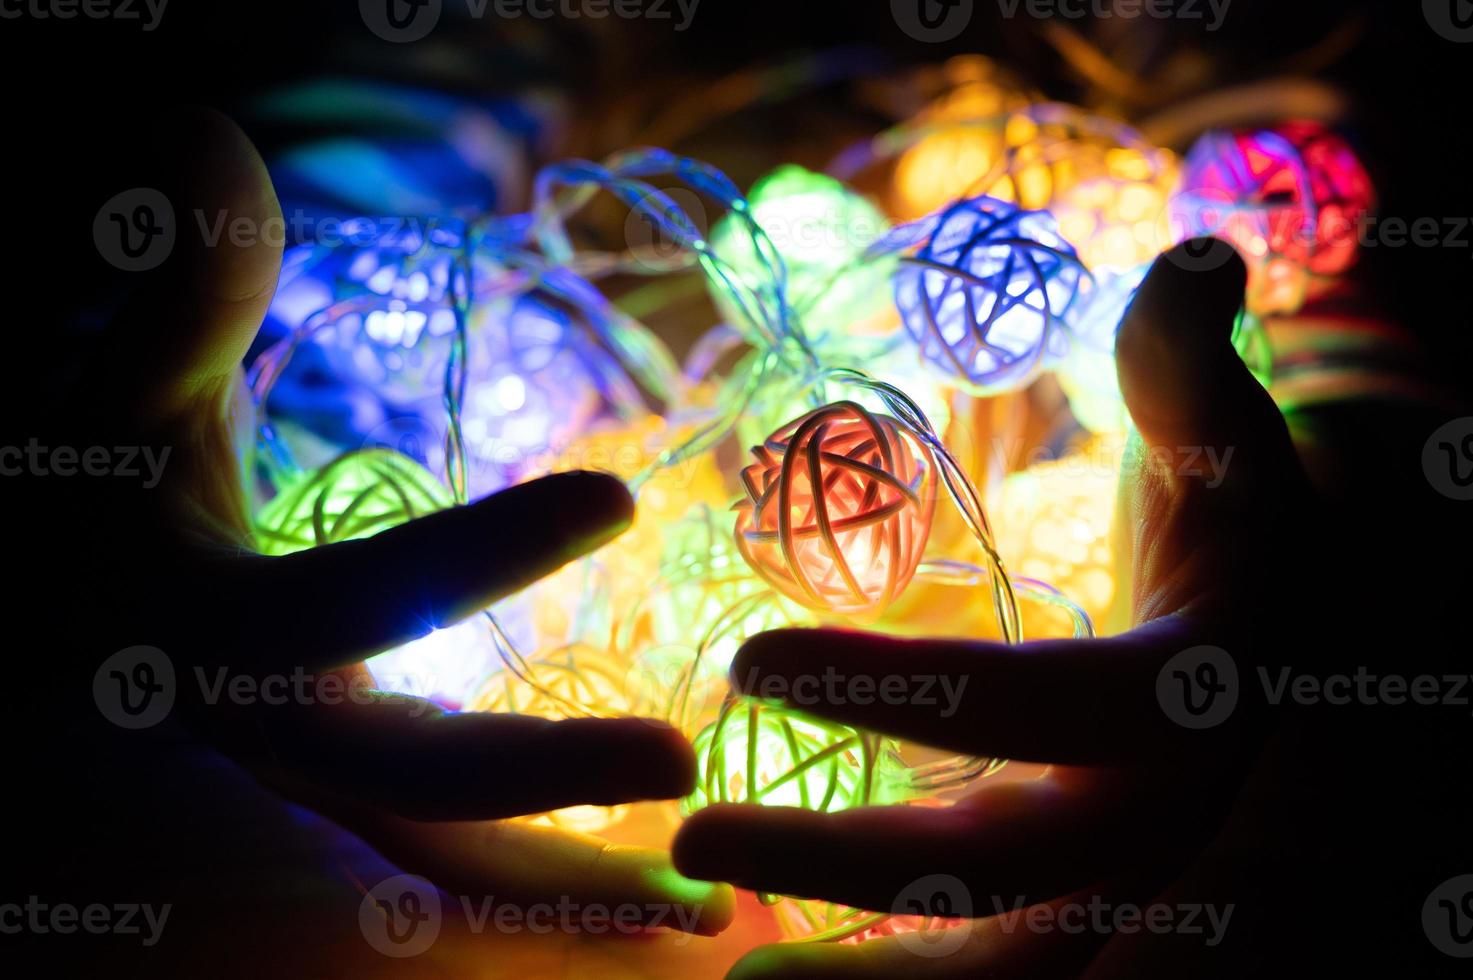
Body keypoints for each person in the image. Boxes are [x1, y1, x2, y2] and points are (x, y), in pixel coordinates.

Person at [13, 107, 1470, 978]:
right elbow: (316, 215)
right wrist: (104, 533)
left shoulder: (1167, 167)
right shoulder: (499, 97)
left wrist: (1323, 525)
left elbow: (1331, 345)